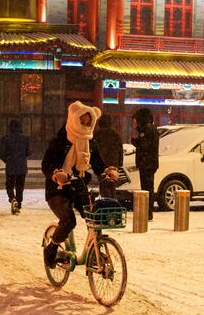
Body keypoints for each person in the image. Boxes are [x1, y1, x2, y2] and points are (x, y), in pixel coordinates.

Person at [42, 101, 119, 269]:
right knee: (69, 220)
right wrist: (56, 174)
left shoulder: (90, 143)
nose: (85, 125)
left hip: (78, 187)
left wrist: (107, 171)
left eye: (88, 122)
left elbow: (98, 164)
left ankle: (94, 251)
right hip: (57, 190)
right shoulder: (59, 142)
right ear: (73, 120)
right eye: (82, 121)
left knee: (94, 215)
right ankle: (51, 249)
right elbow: (47, 164)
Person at [130, 108, 159, 221]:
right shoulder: (150, 128)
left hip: (147, 163)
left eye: (136, 120)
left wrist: (135, 141)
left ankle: (148, 212)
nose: (135, 123)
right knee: (148, 188)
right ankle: (148, 211)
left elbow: (145, 145)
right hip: (149, 163)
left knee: (147, 189)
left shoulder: (147, 129)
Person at [0, 119, 31, 214]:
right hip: (22, 166)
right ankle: (19, 203)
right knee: (20, 187)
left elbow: (2, 153)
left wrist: (8, 160)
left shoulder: (5, 138)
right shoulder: (25, 138)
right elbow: (28, 152)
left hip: (10, 166)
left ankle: (12, 199)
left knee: (9, 185)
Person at [93, 114, 123, 199]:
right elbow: (120, 149)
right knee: (112, 186)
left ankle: (106, 204)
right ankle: (113, 204)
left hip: (102, 164)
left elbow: (94, 150)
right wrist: (120, 163)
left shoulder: (97, 134)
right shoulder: (115, 134)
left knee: (103, 186)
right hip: (114, 163)